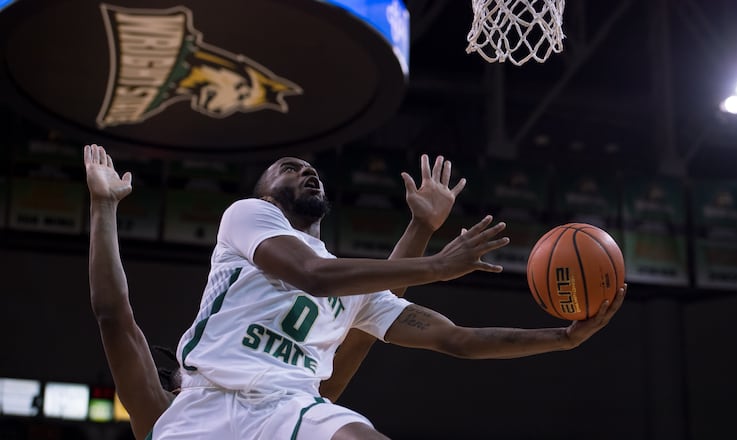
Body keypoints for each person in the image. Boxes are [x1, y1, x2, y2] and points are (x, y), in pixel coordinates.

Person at [148, 152, 626, 439]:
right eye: (290, 169)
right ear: (269, 196)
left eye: (313, 170)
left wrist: (563, 338)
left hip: (286, 405)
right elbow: (312, 274)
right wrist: (437, 264)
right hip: (209, 399)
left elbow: (457, 339)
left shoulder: (355, 290)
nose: (307, 172)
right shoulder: (248, 216)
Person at [84, 143, 468, 439]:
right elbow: (113, 316)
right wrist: (103, 206)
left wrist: (420, 231)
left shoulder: (283, 403)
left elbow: (362, 318)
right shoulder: (163, 412)